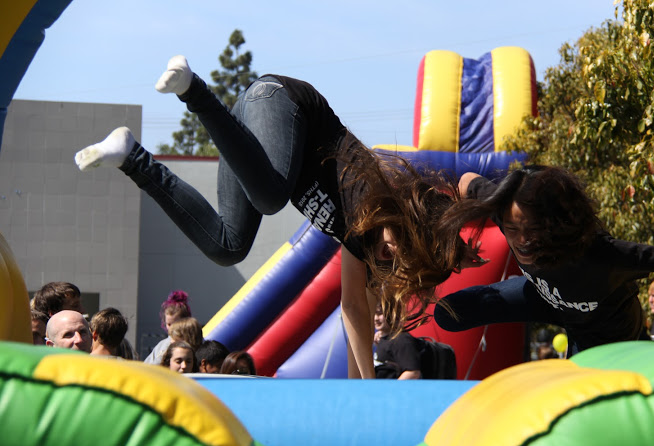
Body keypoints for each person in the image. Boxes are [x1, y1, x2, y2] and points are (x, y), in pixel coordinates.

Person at [75, 56, 476, 379]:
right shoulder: (373, 191)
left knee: (227, 245)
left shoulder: (366, 247)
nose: (389, 252)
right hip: (277, 100)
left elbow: (353, 307)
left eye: (396, 261)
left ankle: (132, 157)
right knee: (270, 198)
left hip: (249, 139)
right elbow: (455, 194)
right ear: (408, 220)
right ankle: (192, 89)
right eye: (398, 244)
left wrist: (361, 387)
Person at [429, 165, 654, 354]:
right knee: (448, 313)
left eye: (533, 231)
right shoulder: (508, 207)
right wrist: (454, 237)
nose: (520, 240)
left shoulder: (601, 254)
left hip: (603, 328)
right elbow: (466, 181)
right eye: (512, 230)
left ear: (556, 226)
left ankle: (646, 351)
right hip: (544, 296)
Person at [373, 304, 424, 379]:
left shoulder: (401, 339)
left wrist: (392, 390)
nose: (375, 318)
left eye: (380, 313)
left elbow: (413, 373)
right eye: (374, 313)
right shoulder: (382, 338)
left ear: (394, 314)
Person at [144, 290, 192, 365]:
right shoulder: (162, 345)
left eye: (175, 324)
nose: (171, 328)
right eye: (168, 324)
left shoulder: (194, 343)